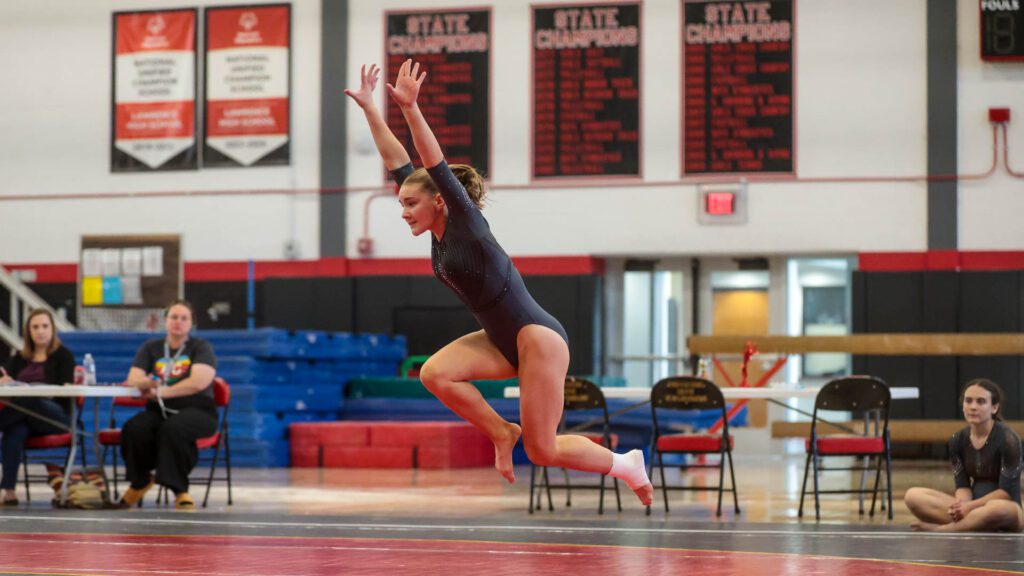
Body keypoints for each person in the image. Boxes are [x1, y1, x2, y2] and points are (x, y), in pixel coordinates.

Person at [346, 60, 653, 504]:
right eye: (401, 204)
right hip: (499, 336)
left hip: (537, 338)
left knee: (544, 449)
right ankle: (501, 432)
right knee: (435, 373)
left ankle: (627, 464)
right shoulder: (436, 227)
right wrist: (371, 108)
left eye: (411, 203)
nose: (404, 212)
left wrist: (412, 109)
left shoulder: (466, 222)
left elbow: (433, 162)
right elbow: (398, 159)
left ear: (440, 199)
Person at [119, 299, 218, 510]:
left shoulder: (201, 348)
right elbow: (134, 376)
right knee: (134, 428)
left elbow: (199, 382)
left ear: (191, 323)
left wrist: (161, 392)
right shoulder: (151, 348)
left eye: (184, 318)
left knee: (174, 428)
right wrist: (144, 383)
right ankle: (140, 480)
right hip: (160, 409)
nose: (178, 322)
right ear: (165, 321)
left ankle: (180, 490)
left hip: (198, 410)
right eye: (174, 317)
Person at [905, 379, 1023, 532]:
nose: (973, 407)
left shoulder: (1008, 439)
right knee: (913, 495)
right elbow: (962, 485)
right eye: (968, 401)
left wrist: (969, 507)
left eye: (981, 402)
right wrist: (960, 506)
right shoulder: (957, 440)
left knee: (998, 508)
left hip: (1005, 509)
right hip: (971, 508)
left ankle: (943, 530)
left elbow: (1006, 493)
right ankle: (972, 525)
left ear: (994, 407)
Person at [0, 309, 75, 505]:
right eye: (35, 327)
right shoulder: (18, 358)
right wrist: (5, 382)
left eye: (44, 326)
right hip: (23, 416)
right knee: (14, 430)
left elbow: (67, 392)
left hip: (55, 416)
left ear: (52, 329)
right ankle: (8, 491)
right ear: (28, 331)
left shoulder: (64, 356)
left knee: (30, 397)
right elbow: (11, 394)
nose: (40, 331)